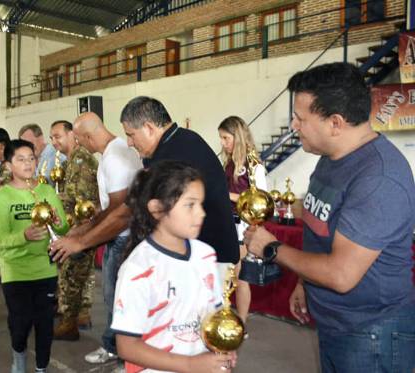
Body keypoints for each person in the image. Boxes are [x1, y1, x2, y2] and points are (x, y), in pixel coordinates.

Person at [244, 62, 415, 373]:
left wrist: (271, 249)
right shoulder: (330, 160)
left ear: (335, 123)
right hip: (334, 323)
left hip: (372, 332)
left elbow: (340, 275)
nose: (294, 126)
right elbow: (318, 232)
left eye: (300, 118)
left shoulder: (378, 177)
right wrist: (303, 282)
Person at [66, 98, 239, 270]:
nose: (129, 143)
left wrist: (81, 242)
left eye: (131, 135)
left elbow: (127, 213)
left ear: (148, 128)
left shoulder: (169, 155)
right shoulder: (180, 141)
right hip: (200, 254)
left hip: (208, 259)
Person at [111, 160, 237, 373]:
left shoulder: (205, 254)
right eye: (190, 205)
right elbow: (126, 346)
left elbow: (212, 315)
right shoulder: (138, 268)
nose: (201, 213)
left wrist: (221, 350)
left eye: (201, 204)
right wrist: (189, 365)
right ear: (157, 209)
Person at [50, 112, 142, 368]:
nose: (79, 145)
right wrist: (84, 229)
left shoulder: (114, 158)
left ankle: (125, 354)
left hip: (122, 237)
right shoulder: (117, 151)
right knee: (114, 296)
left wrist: (84, 236)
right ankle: (116, 346)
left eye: (79, 139)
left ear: (89, 136)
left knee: (116, 298)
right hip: (123, 235)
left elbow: (118, 210)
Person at [0, 139, 69, 373]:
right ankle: (19, 357)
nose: (28, 163)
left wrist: (58, 222)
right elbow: (1, 239)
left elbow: (63, 229)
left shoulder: (46, 190)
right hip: (15, 271)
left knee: (45, 325)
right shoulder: (3, 196)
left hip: (44, 269)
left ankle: (41, 368)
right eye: (20, 159)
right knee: (20, 324)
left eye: (31, 158)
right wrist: (24, 235)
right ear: (8, 165)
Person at [49, 120, 99, 340]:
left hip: (81, 227)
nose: (54, 141)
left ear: (72, 135)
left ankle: (69, 323)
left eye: (58, 136)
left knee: (69, 274)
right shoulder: (72, 160)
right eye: (51, 137)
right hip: (79, 226)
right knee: (81, 273)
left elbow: (82, 201)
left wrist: (75, 233)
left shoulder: (81, 159)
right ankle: (80, 316)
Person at [218, 116, 267, 332]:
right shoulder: (228, 162)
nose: (223, 143)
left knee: (240, 275)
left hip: (242, 226)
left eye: (226, 138)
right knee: (223, 274)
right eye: (221, 138)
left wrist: (225, 194)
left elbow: (260, 200)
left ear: (237, 137)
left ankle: (242, 323)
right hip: (226, 222)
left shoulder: (253, 164)